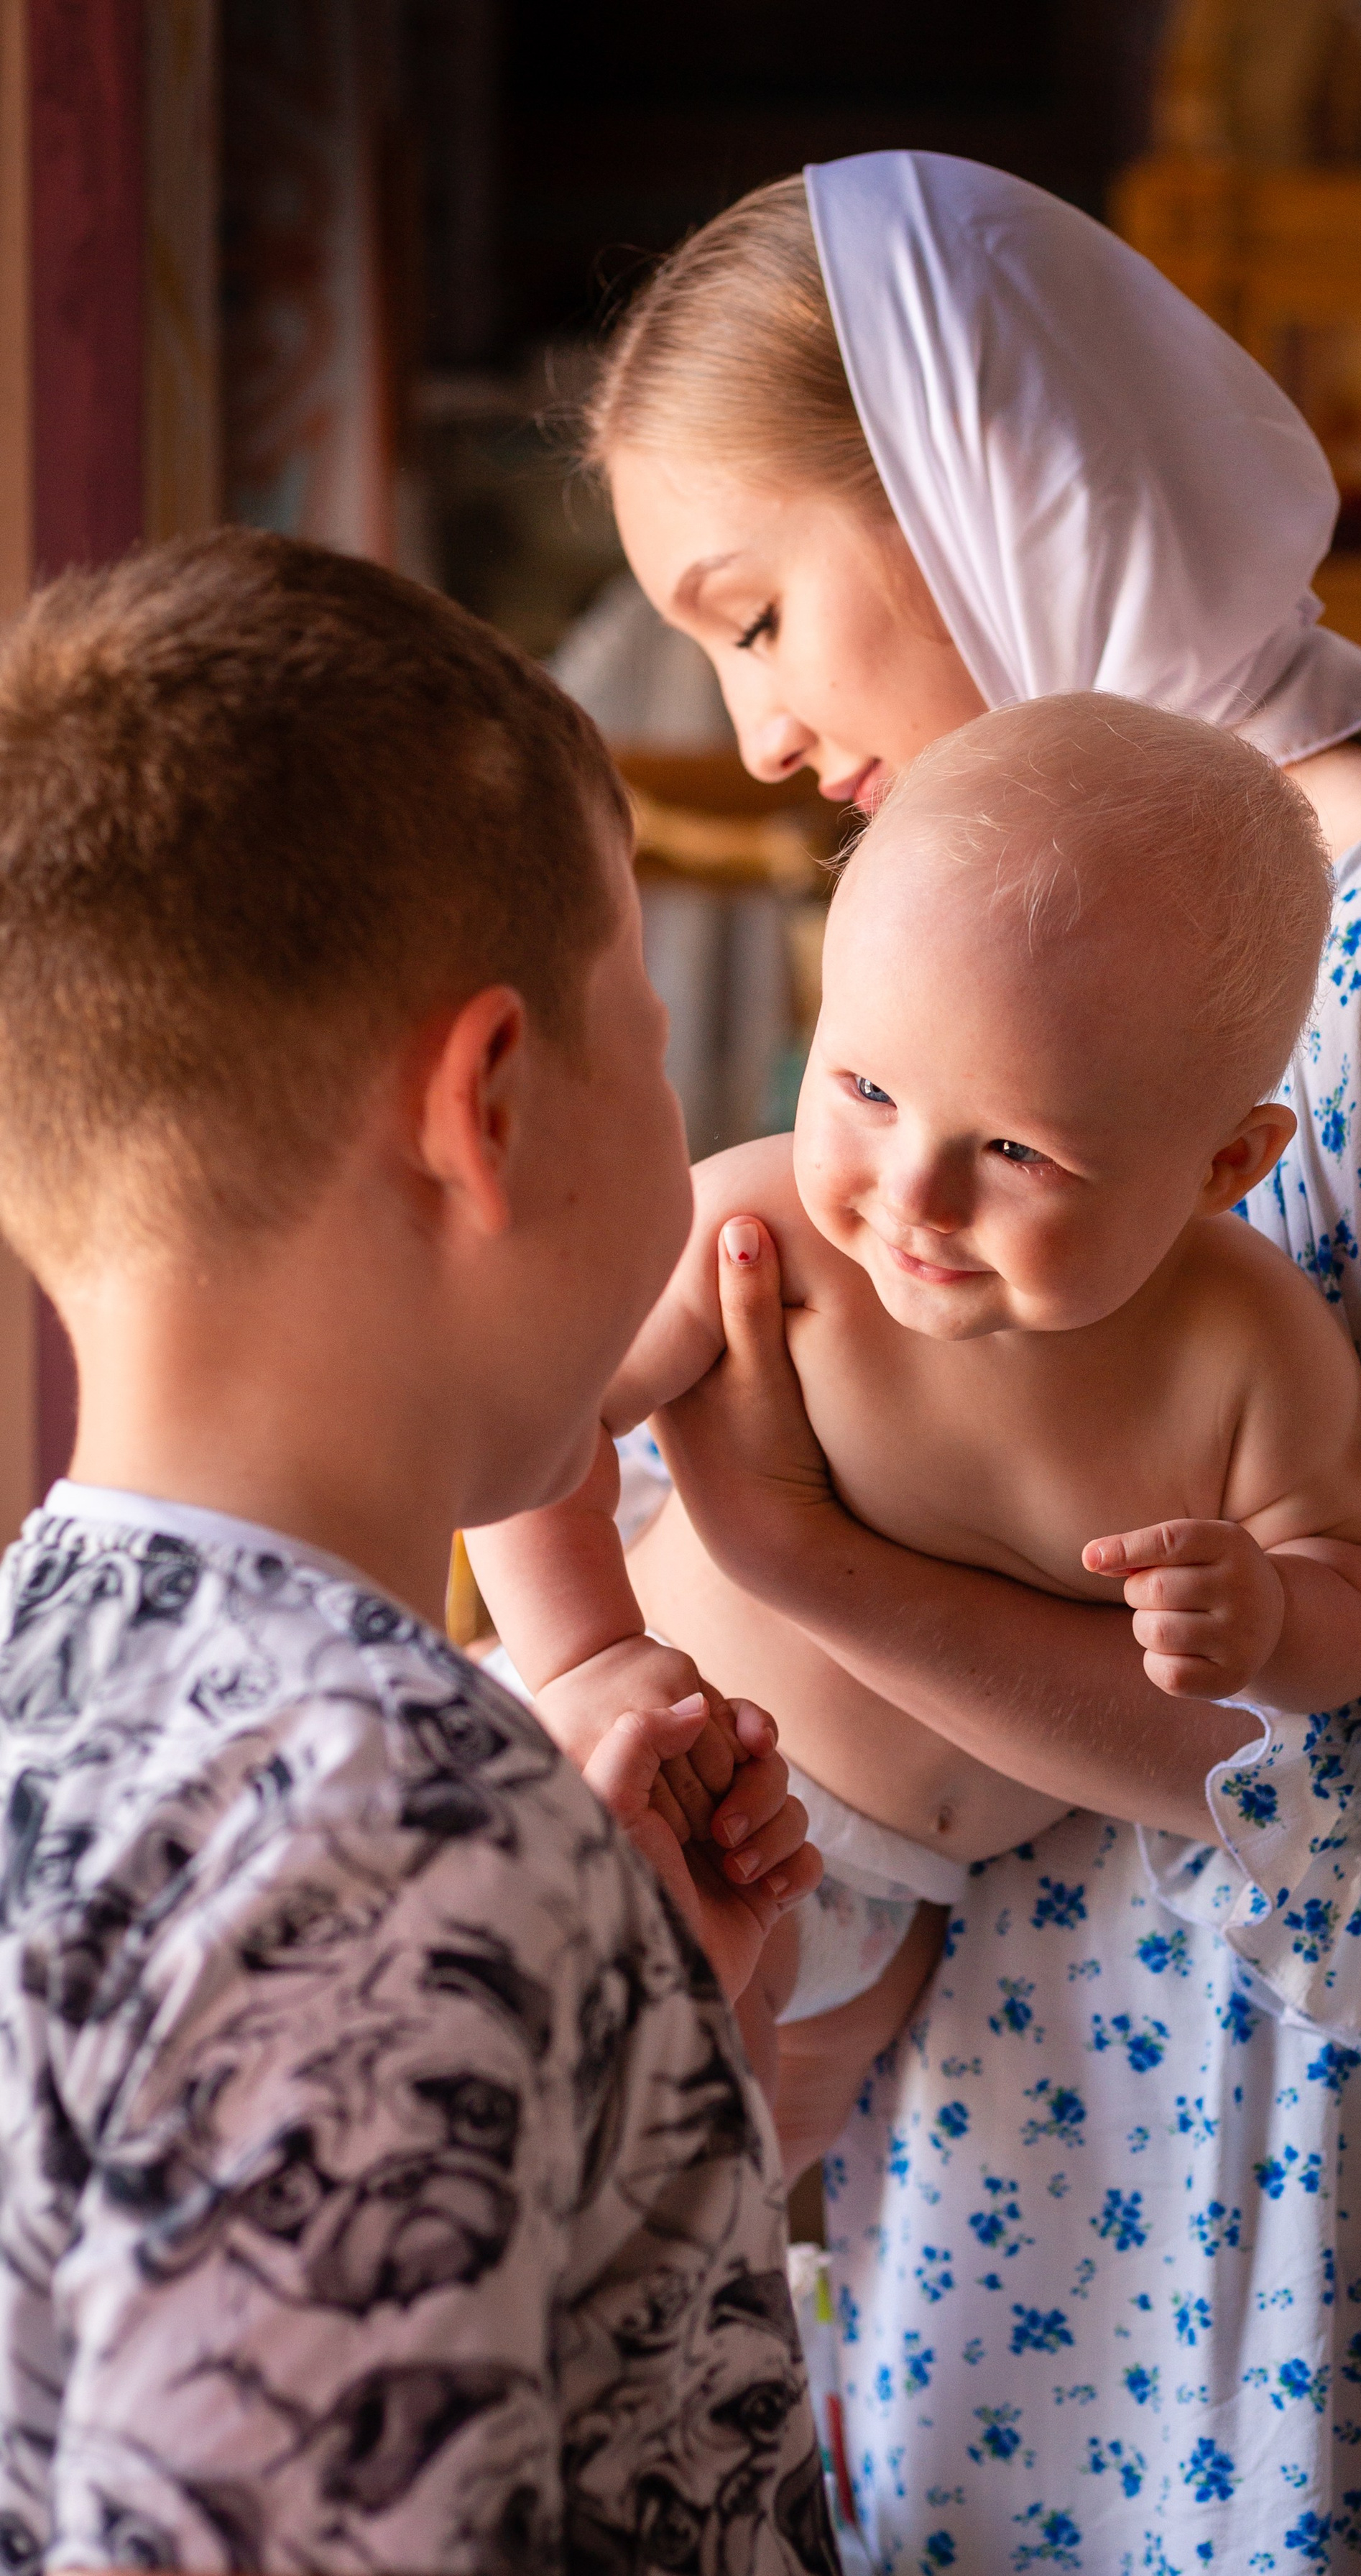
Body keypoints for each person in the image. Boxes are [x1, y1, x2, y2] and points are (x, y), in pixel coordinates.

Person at [566, 151, 1361, 2574]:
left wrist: (790, 1552)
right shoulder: (1029, 937)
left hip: (1292, 2117)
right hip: (1045, 2082)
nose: (765, 730)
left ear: (980, 473)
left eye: (762, 612)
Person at [0, 530, 837, 2576]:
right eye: (646, 1026)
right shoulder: (388, 1838)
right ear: (494, 1097)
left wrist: (632, 2039)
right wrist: (485, 1927)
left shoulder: (47, 1661)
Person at [469, 694, 1361, 2031]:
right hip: (621, 1762)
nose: (912, 1191)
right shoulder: (766, 1231)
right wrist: (582, 1661)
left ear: (1224, 1166)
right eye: (863, 1088)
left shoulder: (1245, 1355)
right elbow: (520, 1427)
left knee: (734, 2187)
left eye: (1019, 1152)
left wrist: (1273, 1616)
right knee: (537, 2090)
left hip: (886, 1902)